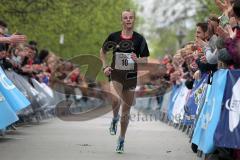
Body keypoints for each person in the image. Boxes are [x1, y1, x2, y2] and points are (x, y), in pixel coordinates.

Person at [99, 9, 149, 153]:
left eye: (131, 18)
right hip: (116, 74)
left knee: (126, 111)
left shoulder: (139, 39)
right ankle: (115, 117)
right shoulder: (114, 36)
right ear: (122, 20)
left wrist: (137, 59)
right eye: (125, 18)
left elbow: (145, 59)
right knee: (115, 99)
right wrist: (105, 66)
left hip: (131, 77)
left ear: (134, 20)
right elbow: (102, 51)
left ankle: (121, 139)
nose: (128, 20)